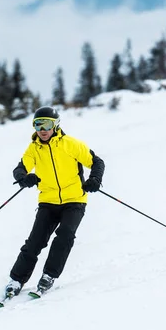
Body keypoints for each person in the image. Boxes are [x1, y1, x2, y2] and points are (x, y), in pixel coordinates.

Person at [6, 106, 105, 296]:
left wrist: (95, 180)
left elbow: (97, 162)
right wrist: (24, 178)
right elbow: (20, 168)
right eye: (37, 124)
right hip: (48, 201)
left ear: (56, 125)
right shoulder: (34, 149)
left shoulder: (70, 144)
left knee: (65, 235)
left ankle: (49, 276)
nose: (42, 129)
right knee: (35, 242)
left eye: (47, 124)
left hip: (74, 200)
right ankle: (16, 280)